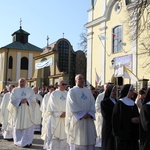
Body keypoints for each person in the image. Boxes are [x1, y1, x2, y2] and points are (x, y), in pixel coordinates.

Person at [66, 74, 96, 150]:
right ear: (76, 81)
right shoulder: (72, 91)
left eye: (83, 78)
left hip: (88, 120)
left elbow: (93, 103)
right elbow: (72, 104)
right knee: (78, 140)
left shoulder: (88, 91)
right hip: (78, 120)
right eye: (80, 79)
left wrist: (90, 113)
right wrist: (82, 114)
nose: (82, 80)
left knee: (89, 139)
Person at [8, 78, 38, 148]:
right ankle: (17, 142)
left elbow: (33, 98)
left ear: (25, 83)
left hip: (28, 112)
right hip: (18, 112)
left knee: (28, 127)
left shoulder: (29, 90)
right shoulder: (15, 90)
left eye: (23, 82)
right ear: (18, 83)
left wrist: (27, 100)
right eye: (20, 82)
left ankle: (28, 142)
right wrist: (20, 101)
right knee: (17, 126)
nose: (22, 83)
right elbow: (12, 100)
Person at [112, 84, 139, 150]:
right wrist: (130, 120)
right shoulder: (120, 103)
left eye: (133, 90)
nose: (133, 92)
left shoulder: (133, 103)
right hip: (123, 134)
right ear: (127, 91)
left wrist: (138, 119)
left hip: (133, 134)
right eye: (131, 91)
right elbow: (116, 119)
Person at [43, 80, 68, 150]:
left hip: (65, 117)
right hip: (55, 118)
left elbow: (70, 105)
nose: (64, 85)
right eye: (63, 84)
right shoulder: (54, 93)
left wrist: (67, 113)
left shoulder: (68, 93)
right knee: (54, 135)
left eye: (65, 84)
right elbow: (52, 105)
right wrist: (60, 113)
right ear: (58, 85)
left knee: (64, 135)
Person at [101, 85, 117, 150]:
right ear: (109, 91)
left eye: (115, 91)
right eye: (113, 91)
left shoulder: (117, 101)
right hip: (108, 127)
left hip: (116, 127)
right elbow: (105, 115)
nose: (115, 92)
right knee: (108, 145)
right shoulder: (104, 102)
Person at [95, 83, 110, 147]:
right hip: (101, 116)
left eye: (108, 87)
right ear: (104, 88)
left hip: (109, 117)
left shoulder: (111, 95)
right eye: (106, 87)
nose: (107, 88)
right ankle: (100, 143)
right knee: (100, 129)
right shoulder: (100, 96)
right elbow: (97, 106)